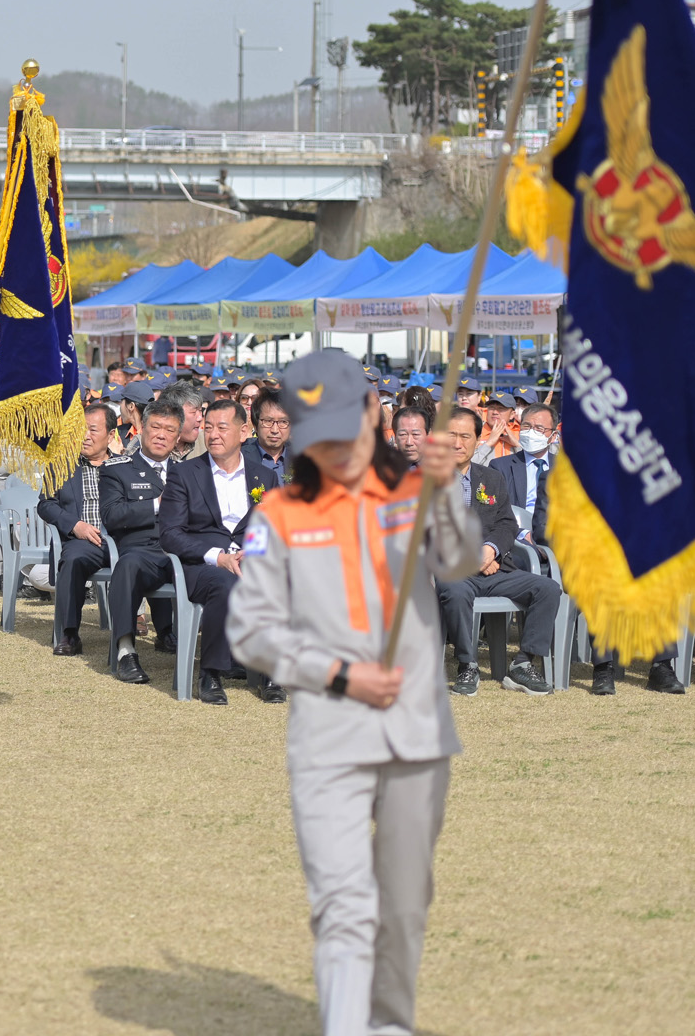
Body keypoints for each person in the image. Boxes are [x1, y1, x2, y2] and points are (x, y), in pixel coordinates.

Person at [227, 349, 477, 1036]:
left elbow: (458, 561)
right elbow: (250, 630)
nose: (334, 452)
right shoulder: (279, 513)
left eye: (343, 431)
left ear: (373, 411)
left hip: (416, 735)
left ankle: (389, 1022)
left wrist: (445, 490)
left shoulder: (415, 492)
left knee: (403, 903)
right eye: (317, 438)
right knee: (342, 904)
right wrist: (336, 673)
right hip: (329, 734)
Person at [159, 398, 282, 704]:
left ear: (244, 432)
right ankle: (211, 672)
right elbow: (170, 534)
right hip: (201, 565)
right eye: (208, 427)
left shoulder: (264, 477)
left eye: (222, 428)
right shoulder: (184, 474)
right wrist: (218, 557)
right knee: (225, 583)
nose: (213, 435)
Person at [436, 407, 561, 697]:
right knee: (455, 592)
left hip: (495, 569)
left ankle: (523, 663)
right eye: (451, 435)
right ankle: (467, 664)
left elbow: (506, 523)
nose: (458, 443)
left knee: (548, 589)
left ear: (477, 439)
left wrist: (490, 551)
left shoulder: (491, 478)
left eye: (465, 436)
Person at [99, 401, 185, 683]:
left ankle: (222, 654)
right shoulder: (117, 469)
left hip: (182, 551)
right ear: (142, 429)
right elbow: (112, 515)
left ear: (178, 436)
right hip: (141, 552)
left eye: (169, 430)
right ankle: (126, 650)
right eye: (155, 427)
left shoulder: (189, 471)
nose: (161, 435)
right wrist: (157, 504)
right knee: (128, 566)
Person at [38, 402, 116, 658]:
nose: (85, 436)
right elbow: (45, 504)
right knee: (72, 560)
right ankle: (69, 633)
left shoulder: (124, 465)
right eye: (81, 429)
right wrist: (74, 525)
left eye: (93, 429)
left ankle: (164, 631)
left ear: (111, 435)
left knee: (153, 556)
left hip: (120, 541)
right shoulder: (62, 464)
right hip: (82, 542)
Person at [491, 401, 557, 541]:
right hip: (517, 540)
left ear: (553, 436)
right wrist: (522, 534)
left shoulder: (565, 469)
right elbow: (495, 513)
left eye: (539, 428)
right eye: (526, 426)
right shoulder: (500, 467)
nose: (531, 432)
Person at [242, 388, 291, 484]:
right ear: (255, 425)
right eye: (268, 421)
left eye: (283, 422)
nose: (275, 430)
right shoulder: (240, 458)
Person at [157, 378, 210, 461]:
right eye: (194, 412)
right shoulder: (146, 445)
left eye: (200, 410)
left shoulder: (208, 443)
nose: (200, 418)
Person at [472, 390, 520, 465]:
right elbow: (466, 465)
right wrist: (488, 444)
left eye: (501, 409)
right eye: (491, 408)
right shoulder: (475, 432)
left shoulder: (519, 433)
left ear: (512, 415)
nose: (495, 412)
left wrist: (517, 445)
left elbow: (529, 465)